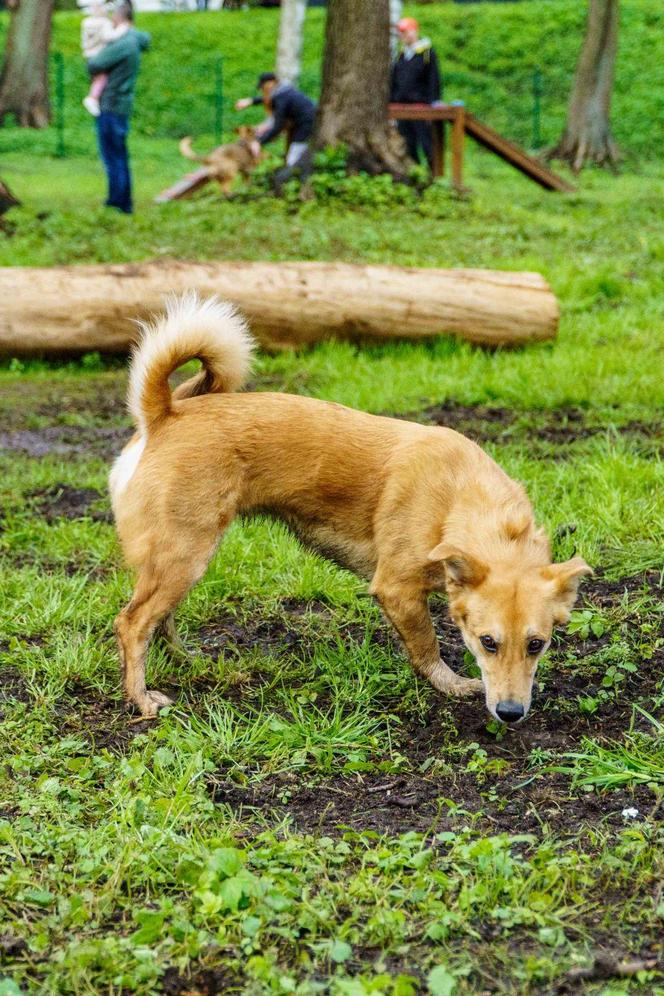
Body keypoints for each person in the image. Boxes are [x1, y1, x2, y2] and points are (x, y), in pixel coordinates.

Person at [86, 0, 150, 214]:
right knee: (119, 155)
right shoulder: (135, 41)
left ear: (119, 17)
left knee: (113, 156)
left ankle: (118, 202)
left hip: (112, 104)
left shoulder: (124, 43)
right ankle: (123, 200)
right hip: (121, 104)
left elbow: (94, 64)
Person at [235, 72, 316, 193]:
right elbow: (269, 100)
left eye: (263, 86)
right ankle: (295, 184)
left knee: (293, 158)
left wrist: (259, 142)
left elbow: (278, 126)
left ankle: (296, 187)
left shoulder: (281, 97)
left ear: (272, 82)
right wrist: (251, 101)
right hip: (305, 122)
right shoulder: (284, 90)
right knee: (293, 156)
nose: (263, 89)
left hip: (306, 125)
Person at [390, 16, 441, 169]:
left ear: (415, 31)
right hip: (401, 107)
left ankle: (433, 173)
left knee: (426, 143)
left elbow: (434, 79)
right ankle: (415, 173)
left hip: (421, 106)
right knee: (408, 143)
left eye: (406, 31)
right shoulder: (400, 55)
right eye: (401, 32)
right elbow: (394, 80)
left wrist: (434, 101)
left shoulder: (426, 53)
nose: (404, 35)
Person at [80, 2, 129, 118]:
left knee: (96, 79)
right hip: (100, 55)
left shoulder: (86, 22)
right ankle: (92, 98)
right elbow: (109, 36)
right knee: (102, 79)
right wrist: (122, 28)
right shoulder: (104, 23)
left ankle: (94, 98)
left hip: (88, 54)